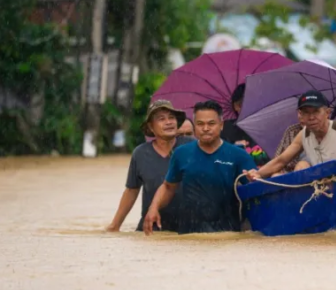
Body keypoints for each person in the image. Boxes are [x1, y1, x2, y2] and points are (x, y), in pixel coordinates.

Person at [143, 100, 259, 235]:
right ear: (194, 126)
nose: (205, 128)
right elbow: (168, 187)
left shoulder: (238, 155)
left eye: (211, 123)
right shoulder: (181, 153)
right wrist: (153, 208)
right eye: (200, 124)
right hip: (189, 235)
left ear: (221, 125)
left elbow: (255, 191)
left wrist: (254, 179)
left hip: (227, 235)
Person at [106, 100, 192, 232]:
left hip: (188, 229)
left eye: (171, 117)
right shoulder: (140, 153)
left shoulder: (192, 147)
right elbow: (131, 191)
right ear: (151, 127)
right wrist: (114, 226)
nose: (168, 122)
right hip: (151, 229)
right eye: (161, 119)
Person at [250, 90, 336, 179]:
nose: (311, 117)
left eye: (316, 111)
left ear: (327, 113)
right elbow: (281, 161)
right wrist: (258, 174)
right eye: (306, 112)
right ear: (300, 115)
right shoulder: (303, 135)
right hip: (325, 188)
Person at [221, 83, 270, 167]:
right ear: (236, 106)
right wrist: (233, 149)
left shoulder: (269, 127)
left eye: (253, 102)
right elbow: (220, 160)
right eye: (242, 104)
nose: (250, 107)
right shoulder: (225, 129)